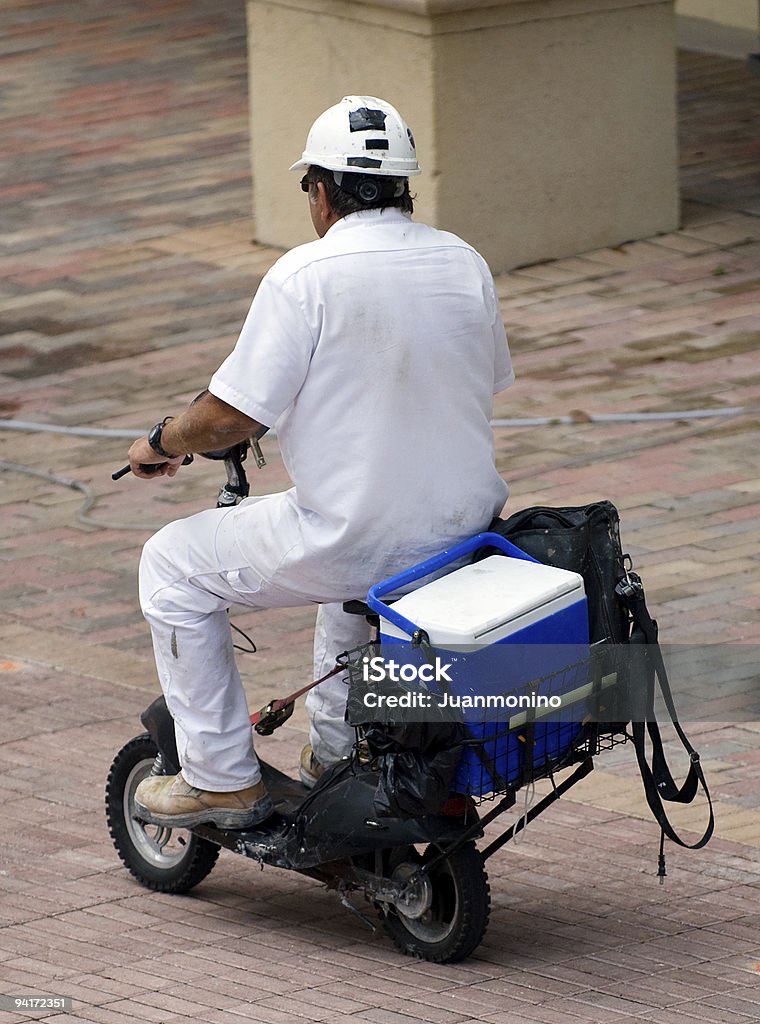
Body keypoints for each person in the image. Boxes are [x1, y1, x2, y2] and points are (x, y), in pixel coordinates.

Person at [130, 95, 514, 830]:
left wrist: (161, 440)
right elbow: (477, 378)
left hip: (358, 538)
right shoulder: (465, 262)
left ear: (322, 190)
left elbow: (229, 416)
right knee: (352, 584)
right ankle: (335, 753)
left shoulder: (305, 275)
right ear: (404, 188)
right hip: (468, 534)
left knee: (171, 564)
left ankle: (218, 778)